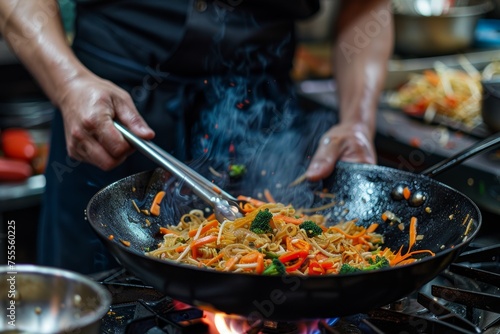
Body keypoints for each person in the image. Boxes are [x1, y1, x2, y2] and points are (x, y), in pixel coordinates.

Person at [0, 0, 393, 274]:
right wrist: (68, 84)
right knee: (94, 298)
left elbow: (368, 3)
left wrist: (357, 121)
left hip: (263, 116)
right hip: (108, 107)